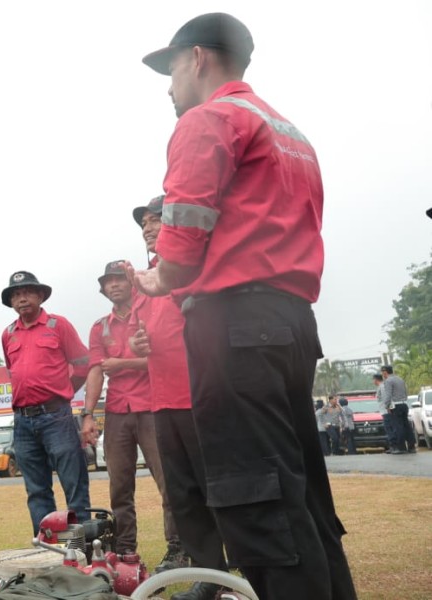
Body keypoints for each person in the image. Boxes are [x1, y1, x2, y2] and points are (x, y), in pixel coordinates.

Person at [135, 13, 357, 599]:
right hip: (289, 321)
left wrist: (157, 281)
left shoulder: (208, 120)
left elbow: (179, 251)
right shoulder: (289, 131)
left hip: (231, 325)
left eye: (172, 67)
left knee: (255, 496)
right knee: (301, 490)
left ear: (200, 59)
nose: (168, 85)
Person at [128, 197, 228, 600]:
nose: (149, 229)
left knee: (219, 488)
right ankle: (211, 575)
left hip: (199, 394)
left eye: (156, 220)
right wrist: (139, 342)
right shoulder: (146, 280)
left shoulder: (191, 265)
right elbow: (147, 335)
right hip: (162, 399)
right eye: (144, 225)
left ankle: (248, 568)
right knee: (184, 495)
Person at [80, 259, 185, 572]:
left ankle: (178, 548)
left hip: (154, 405)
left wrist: (122, 363)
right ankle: (126, 550)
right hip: (116, 410)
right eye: (107, 282)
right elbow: (97, 370)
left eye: (118, 280)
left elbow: (165, 356)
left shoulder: (152, 310)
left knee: (168, 481)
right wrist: (87, 414)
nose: (113, 285)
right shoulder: (101, 326)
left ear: (131, 281)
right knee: (119, 486)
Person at [0, 270, 91, 533]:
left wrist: (63, 391)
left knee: (73, 484)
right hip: (22, 421)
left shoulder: (58, 325)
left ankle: (82, 548)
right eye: (16, 294)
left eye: (28, 292)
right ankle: (48, 549)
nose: (22, 298)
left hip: (56, 417)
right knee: (37, 491)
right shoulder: (8, 334)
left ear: (40, 295)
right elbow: (12, 370)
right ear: (11, 302)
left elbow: (83, 365)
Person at [381, 365, 415, 454]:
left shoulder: (388, 381)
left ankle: (401, 448)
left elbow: (388, 395)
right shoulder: (400, 379)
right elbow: (405, 392)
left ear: (385, 372)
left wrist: (387, 406)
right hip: (404, 404)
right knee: (406, 426)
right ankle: (412, 447)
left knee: (398, 426)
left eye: (382, 372)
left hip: (396, 406)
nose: (382, 374)